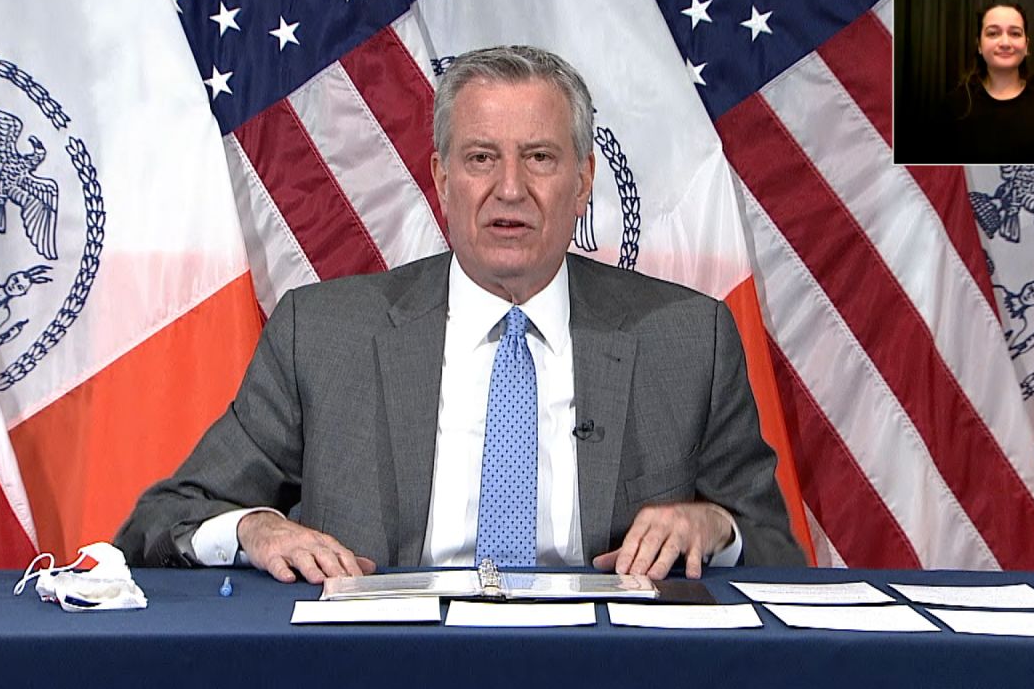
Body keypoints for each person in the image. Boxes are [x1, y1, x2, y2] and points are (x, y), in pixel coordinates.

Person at [116, 45, 804, 583]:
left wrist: (715, 527)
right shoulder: (321, 335)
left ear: (584, 182)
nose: (511, 189)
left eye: (539, 158)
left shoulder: (687, 339)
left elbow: (775, 551)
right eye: (481, 158)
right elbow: (164, 520)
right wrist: (255, 529)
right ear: (442, 178)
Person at [932, 1, 1034, 163]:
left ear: (1026, 45)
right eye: (993, 33)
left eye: (1015, 33)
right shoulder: (954, 107)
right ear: (979, 45)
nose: (1005, 43)